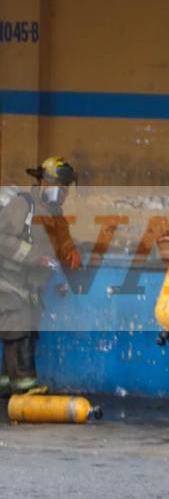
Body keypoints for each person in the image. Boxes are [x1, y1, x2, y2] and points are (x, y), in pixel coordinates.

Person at [0, 157, 81, 396]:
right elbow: (2, 238)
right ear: (43, 182)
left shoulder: (56, 215)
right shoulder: (23, 204)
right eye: (59, 186)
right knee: (19, 330)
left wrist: (71, 252)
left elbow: (63, 242)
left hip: (31, 288)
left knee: (25, 332)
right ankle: (26, 389)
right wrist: (34, 256)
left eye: (66, 189)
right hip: (9, 284)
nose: (63, 193)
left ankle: (8, 390)